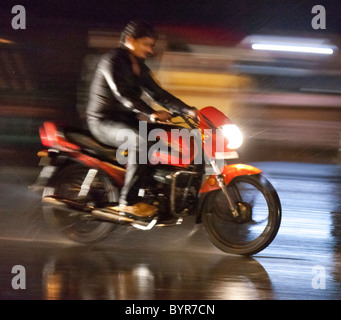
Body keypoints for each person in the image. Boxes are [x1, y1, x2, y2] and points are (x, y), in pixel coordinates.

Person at [86, 20, 196, 219]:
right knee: (142, 141)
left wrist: (189, 111)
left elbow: (158, 94)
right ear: (130, 40)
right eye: (146, 44)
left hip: (126, 119)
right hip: (103, 121)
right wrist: (151, 113)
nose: (149, 49)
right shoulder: (112, 60)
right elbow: (122, 94)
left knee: (170, 135)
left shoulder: (140, 66)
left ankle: (156, 188)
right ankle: (128, 202)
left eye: (151, 45)